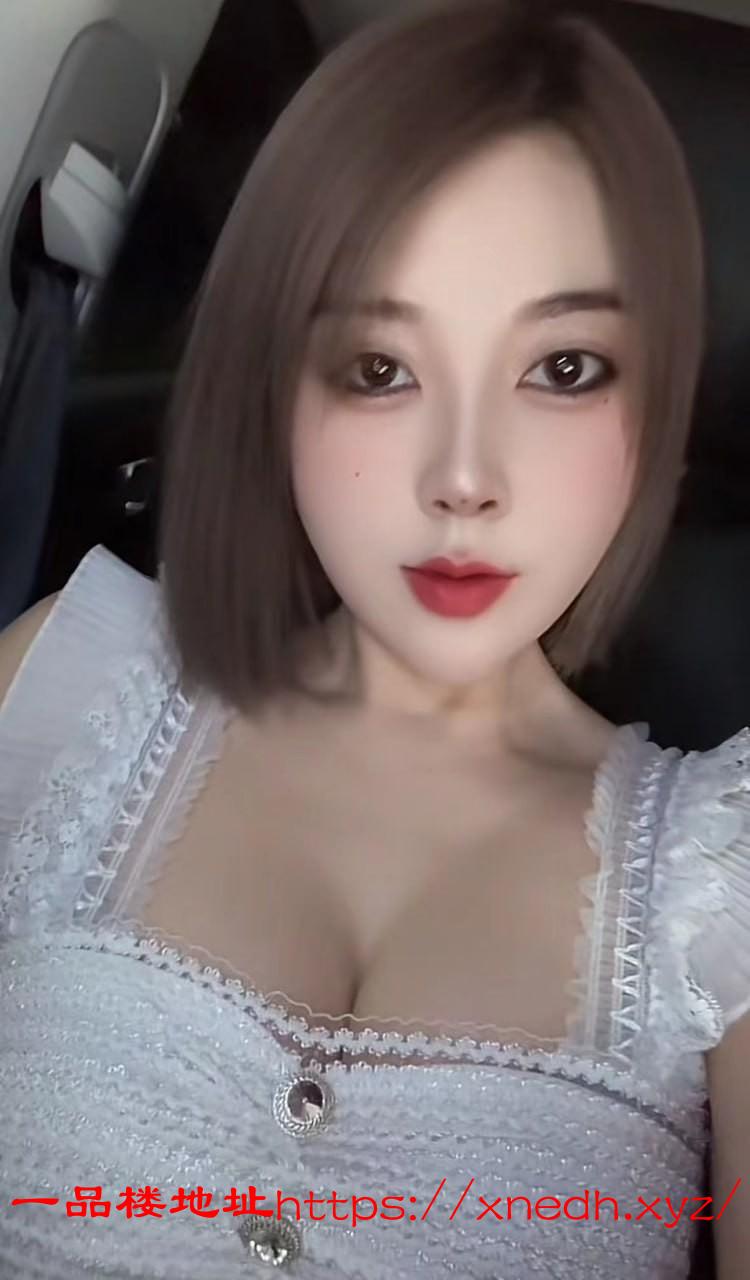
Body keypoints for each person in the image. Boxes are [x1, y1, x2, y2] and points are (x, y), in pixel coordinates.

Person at [0, 0, 747, 1275]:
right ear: (274, 384)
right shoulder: (61, 679)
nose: (464, 479)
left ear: (661, 397)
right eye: (380, 367)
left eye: (564, 368)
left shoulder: (721, 876)